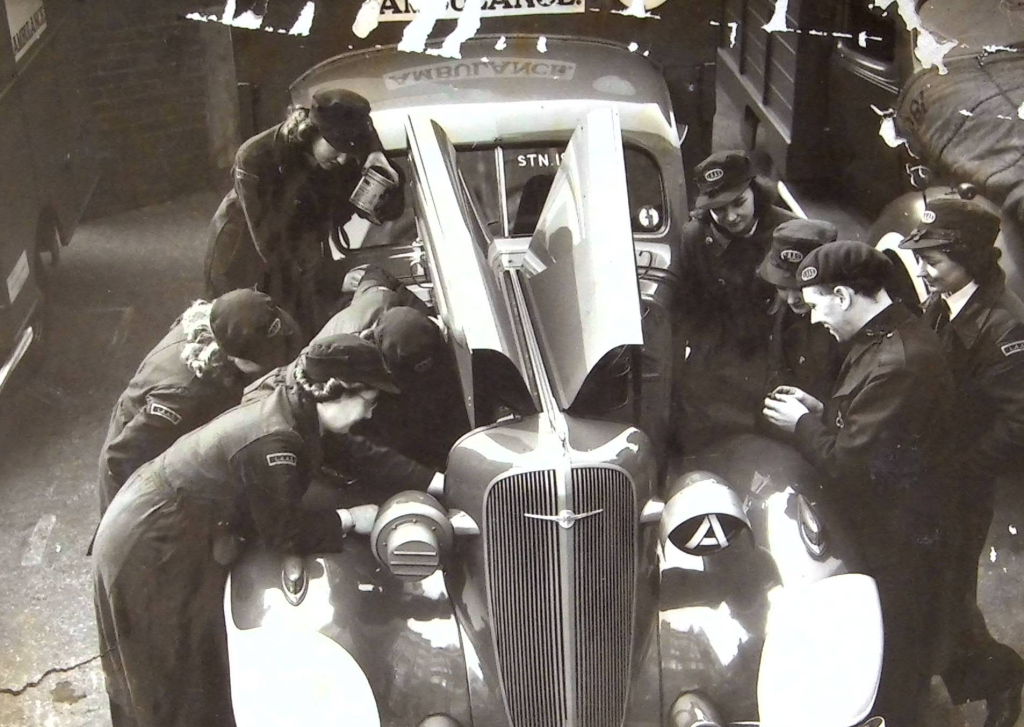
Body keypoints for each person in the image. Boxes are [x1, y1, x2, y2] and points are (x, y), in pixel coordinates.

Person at [93, 333, 395, 727]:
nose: (370, 414)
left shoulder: (289, 396)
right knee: (168, 674)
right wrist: (352, 517)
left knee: (196, 665)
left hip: (165, 521)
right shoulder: (276, 438)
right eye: (368, 402)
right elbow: (284, 531)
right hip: (152, 542)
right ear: (335, 391)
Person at [762, 240, 956, 727]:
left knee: (891, 660)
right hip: (890, 525)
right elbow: (870, 429)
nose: (811, 319)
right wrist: (821, 411)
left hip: (902, 538)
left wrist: (801, 426)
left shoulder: (900, 362)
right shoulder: (883, 340)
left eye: (815, 304)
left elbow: (851, 463)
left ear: (843, 296)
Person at [899, 195, 1024, 727]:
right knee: (931, 586)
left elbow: (1017, 424)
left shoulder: (1004, 327)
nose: (924, 270)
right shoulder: (947, 300)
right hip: (928, 476)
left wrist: (958, 469)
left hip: (958, 487)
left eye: (934, 260)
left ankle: (1001, 678)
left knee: (947, 594)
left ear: (969, 258)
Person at [204, 88, 404, 337]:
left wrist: (376, 155)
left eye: (349, 151)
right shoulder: (255, 158)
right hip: (246, 254)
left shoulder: (341, 147)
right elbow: (273, 248)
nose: (343, 160)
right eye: (337, 149)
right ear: (310, 133)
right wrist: (332, 280)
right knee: (253, 334)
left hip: (302, 249)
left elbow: (387, 211)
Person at [97, 288, 302, 516]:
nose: (275, 364)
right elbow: (121, 460)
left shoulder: (237, 319)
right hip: (141, 464)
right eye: (264, 361)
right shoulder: (184, 395)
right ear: (232, 357)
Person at [673, 150, 798, 453]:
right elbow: (687, 306)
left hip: (774, 351)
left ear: (754, 190)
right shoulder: (695, 237)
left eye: (738, 203)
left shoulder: (788, 233)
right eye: (717, 209)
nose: (730, 217)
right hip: (717, 354)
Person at [756, 218, 844, 404]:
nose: (790, 299)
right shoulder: (779, 312)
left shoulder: (841, 328)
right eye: (782, 287)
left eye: (800, 289)